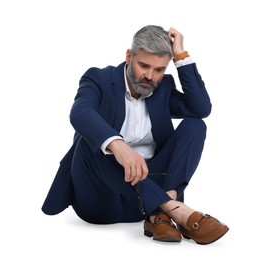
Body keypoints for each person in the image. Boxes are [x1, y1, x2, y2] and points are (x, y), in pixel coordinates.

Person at [42, 25, 229, 244]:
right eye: (144, 65)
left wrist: (180, 56)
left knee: (195, 126)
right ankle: (174, 210)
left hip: (145, 198)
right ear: (129, 56)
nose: (150, 76)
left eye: (159, 69)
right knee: (88, 142)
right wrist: (118, 145)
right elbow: (80, 113)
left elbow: (200, 109)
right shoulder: (99, 79)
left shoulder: (163, 87)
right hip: (101, 200)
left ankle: (160, 211)